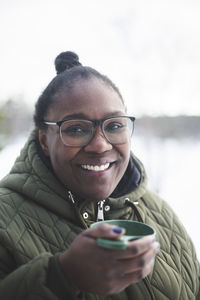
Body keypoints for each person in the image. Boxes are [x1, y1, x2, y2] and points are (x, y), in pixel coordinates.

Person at [0, 51, 199, 300]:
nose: (100, 146)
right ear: (44, 140)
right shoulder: (4, 219)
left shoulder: (158, 210)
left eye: (115, 125)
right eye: (76, 129)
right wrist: (63, 277)